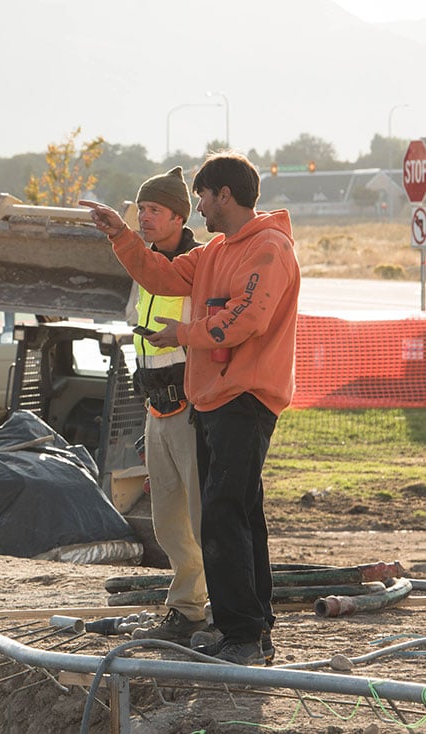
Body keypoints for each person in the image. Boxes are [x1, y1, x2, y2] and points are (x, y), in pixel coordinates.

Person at [80, 152, 300, 666]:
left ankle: (241, 634)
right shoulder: (219, 250)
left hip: (245, 398)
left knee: (223, 515)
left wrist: (183, 334)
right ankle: (250, 628)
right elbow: (159, 274)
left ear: (225, 194)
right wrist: (121, 236)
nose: (198, 205)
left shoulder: (268, 249)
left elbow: (248, 319)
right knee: (239, 514)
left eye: (202, 196)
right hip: (215, 398)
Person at [117, 167, 209, 646]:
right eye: (142, 209)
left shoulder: (200, 266)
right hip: (157, 408)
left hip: (192, 409)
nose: (144, 218)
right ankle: (188, 607)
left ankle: (215, 606)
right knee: (168, 519)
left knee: (205, 514)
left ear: (178, 217)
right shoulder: (144, 266)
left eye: (153, 210)